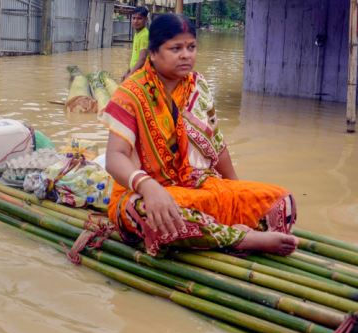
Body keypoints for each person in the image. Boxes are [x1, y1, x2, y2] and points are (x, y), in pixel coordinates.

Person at [101, 13, 298, 257]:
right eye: (176, 48)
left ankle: (216, 232)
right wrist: (149, 188)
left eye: (191, 47)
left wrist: (235, 190)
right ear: (153, 53)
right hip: (142, 194)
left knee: (281, 201)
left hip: (195, 185)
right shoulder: (130, 93)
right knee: (155, 215)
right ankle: (242, 238)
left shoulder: (198, 86)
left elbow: (216, 146)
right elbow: (115, 157)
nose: (186, 55)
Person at [125, 7, 150, 77]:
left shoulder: (144, 35)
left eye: (139, 18)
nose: (136, 21)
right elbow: (135, 56)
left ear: (146, 20)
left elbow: (142, 59)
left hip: (140, 75)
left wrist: (130, 74)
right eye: (134, 18)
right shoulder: (137, 34)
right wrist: (128, 71)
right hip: (135, 72)